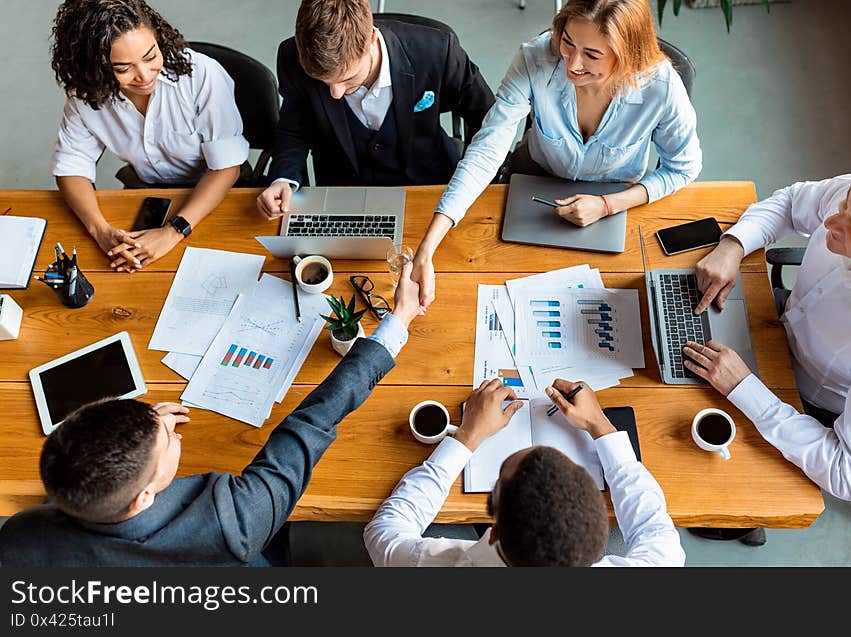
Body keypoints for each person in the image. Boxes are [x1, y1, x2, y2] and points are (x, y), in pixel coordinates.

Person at [0, 264, 423, 566]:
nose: (169, 429)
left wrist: (146, 431)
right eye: (166, 441)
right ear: (144, 497)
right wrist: (398, 322)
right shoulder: (233, 523)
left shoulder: (18, 538)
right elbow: (308, 425)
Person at [412, 0, 702, 307]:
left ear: (627, 55)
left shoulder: (661, 86)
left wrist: (607, 205)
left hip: (614, 199)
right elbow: (486, 150)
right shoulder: (534, 58)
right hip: (533, 180)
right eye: (568, 42)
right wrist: (428, 247)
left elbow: (683, 167)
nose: (572, 64)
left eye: (591, 55)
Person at [685, 161, 851, 522]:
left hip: (812, 406)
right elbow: (791, 203)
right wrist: (732, 245)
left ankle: (732, 524)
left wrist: (744, 388)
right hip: (777, 325)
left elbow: (848, 474)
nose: (831, 224)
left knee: (700, 469)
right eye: (844, 205)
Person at [364, 378, 685, 566]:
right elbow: (655, 531)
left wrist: (467, 436)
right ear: (603, 536)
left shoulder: (443, 563)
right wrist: (599, 424)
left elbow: (384, 531)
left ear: (493, 531)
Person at [50, 0, 249, 273]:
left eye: (150, 56)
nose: (144, 76)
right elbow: (71, 167)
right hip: (147, 189)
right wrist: (100, 230)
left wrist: (172, 232)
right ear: (96, 67)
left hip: (219, 185)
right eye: (123, 68)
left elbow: (226, 167)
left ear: (157, 37)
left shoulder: (202, 74)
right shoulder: (85, 95)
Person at [256, 0, 495, 219]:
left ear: (371, 39)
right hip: (343, 194)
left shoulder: (437, 51)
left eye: (348, 78)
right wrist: (283, 179)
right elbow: (293, 129)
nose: (335, 93)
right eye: (323, 82)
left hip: (431, 188)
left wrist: (467, 185)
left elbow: (489, 122)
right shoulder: (291, 57)